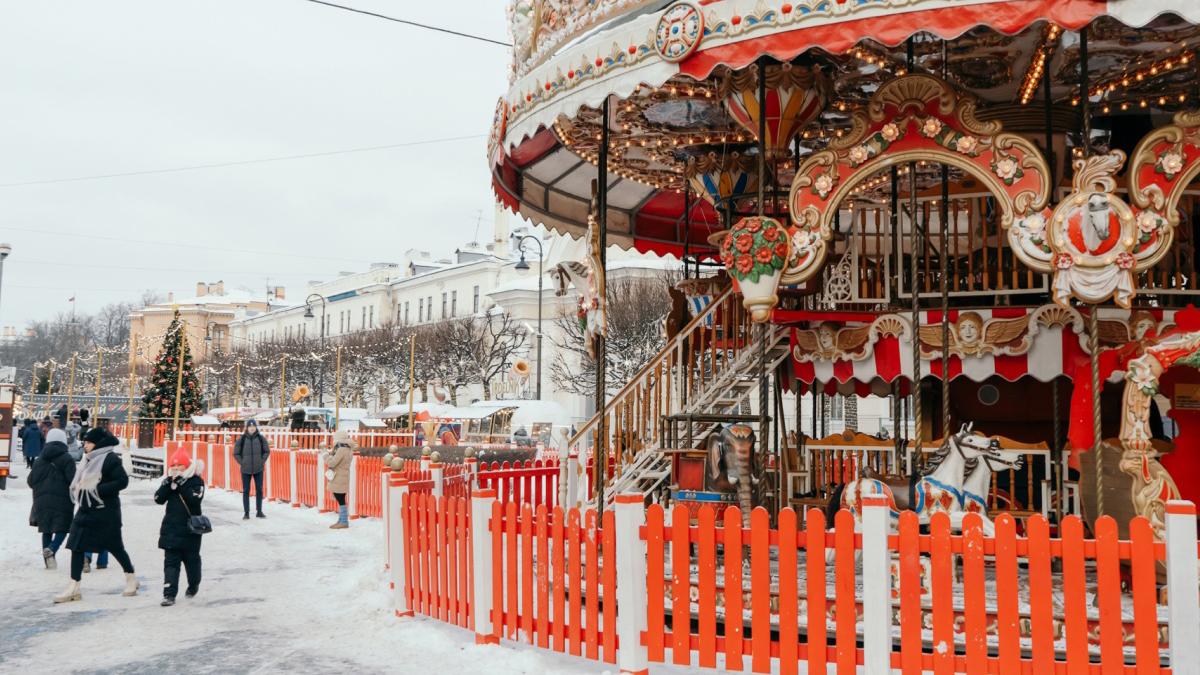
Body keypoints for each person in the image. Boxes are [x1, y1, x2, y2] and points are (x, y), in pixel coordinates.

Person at [56, 427, 138, 603]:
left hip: (106, 512)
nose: (84, 445)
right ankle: (74, 586)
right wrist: (82, 489)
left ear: (98, 443)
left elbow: (122, 481)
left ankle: (131, 577)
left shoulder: (110, 459)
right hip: (85, 509)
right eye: (84, 442)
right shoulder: (87, 459)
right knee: (76, 546)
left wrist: (97, 490)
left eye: (87, 442)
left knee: (115, 547)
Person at [154, 449, 205, 606]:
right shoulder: (170, 481)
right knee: (170, 563)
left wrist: (182, 484)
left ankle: (193, 583)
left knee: (192, 561)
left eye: (179, 466)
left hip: (190, 530)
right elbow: (158, 499)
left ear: (186, 466)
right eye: (173, 466)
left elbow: (195, 500)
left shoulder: (196, 481)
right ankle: (169, 594)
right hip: (171, 529)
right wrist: (167, 485)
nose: (176, 470)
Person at [28, 428, 75, 569]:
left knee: (46, 529)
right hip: (63, 499)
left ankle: (49, 561)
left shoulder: (39, 460)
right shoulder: (67, 459)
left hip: (41, 500)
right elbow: (72, 480)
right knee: (63, 527)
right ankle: (53, 548)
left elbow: (30, 481)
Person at [233, 419, 269, 520]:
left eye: (253, 426)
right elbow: (236, 453)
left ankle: (259, 511)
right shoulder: (242, 439)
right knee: (246, 491)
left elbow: (267, 451)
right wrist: (242, 462)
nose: (252, 428)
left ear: (256, 427)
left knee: (259, 490)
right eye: (250, 426)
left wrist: (262, 461)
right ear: (247, 427)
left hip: (258, 469)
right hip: (245, 469)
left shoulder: (261, 439)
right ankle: (246, 512)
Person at [323, 431, 354, 529]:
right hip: (343, 476)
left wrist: (326, 456)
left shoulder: (341, 449)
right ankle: (342, 520)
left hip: (339, 476)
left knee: (340, 499)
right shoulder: (347, 449)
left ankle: (343, 521)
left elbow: (332, 463)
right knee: (340, 498)